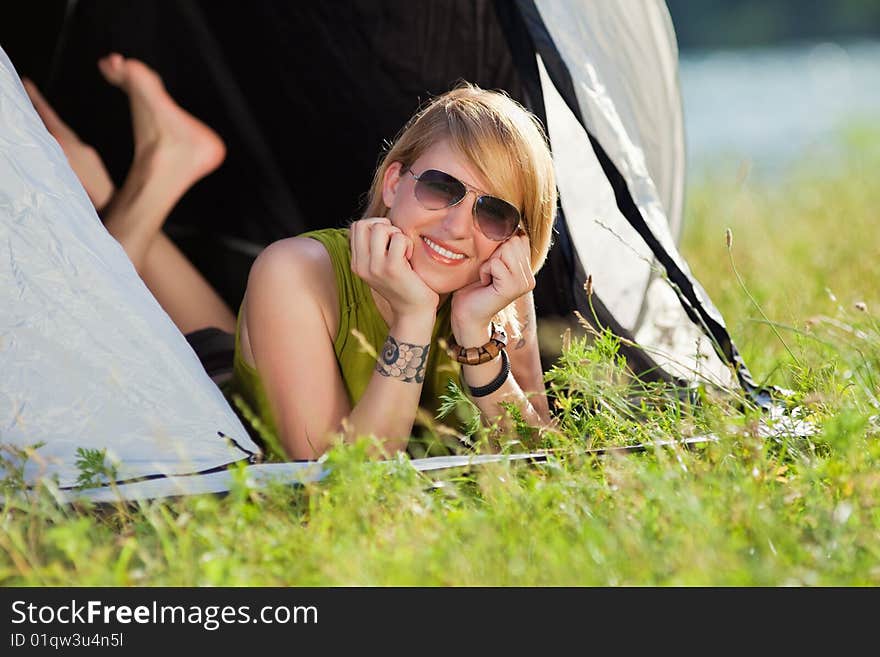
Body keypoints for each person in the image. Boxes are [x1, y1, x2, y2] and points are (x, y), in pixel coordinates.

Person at [26, 55, 558, 462]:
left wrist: (476, 338)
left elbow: (544, 474)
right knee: (87, 322)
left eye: (493, 213)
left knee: (226, 336)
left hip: (254, 347)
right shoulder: (295, 269)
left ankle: (136, 179)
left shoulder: (494, 293)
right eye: (441, 187)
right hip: (195, 387)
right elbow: (344, 485)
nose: (457, 227)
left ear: (515, 236)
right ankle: (122, 183)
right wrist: (415, 320)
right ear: (393, 182)